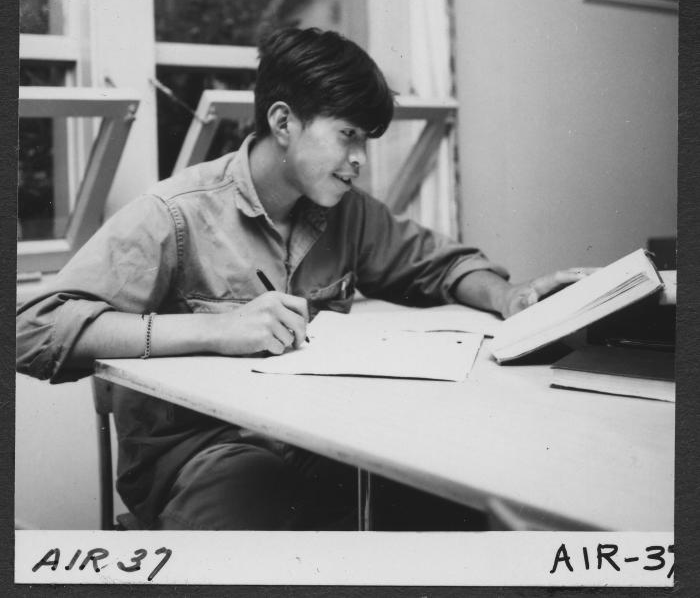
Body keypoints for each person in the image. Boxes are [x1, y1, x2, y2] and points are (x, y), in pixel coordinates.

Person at [16, 27, 586, 531]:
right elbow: (31, 329)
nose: (361, 158)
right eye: (348, 135)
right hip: (204, 458)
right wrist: (213, 332)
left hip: (322, 443)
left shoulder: (348, 211)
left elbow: (442, 265)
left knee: (455, 507)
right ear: (284, 121)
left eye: (366, 139)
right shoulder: (177, 212)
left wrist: (511, 297)